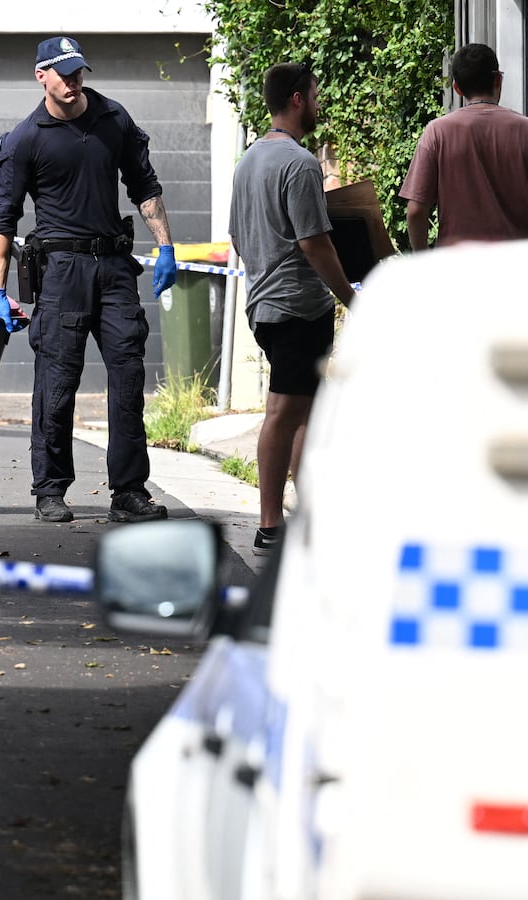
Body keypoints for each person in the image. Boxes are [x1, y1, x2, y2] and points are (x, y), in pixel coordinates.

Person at [0, 35, 177, 525]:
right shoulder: (25, 139)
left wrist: (166, 246)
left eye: (78, 72)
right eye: (63, 72)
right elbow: (3, 221)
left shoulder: (113, 119)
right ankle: (50, 489)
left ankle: (129, 492)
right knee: (57, 381)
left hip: (114, 268)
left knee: (129, 375)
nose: (73, 81)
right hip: (61, 273)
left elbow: (145, 186)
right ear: (41, 76)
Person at [228, 63, 356, 556]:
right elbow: (314, 243)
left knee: (304, 412)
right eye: (316, 93)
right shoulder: (299, 163)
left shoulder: (248, 162)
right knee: (284, 412)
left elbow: (239, 238)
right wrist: (350, 297)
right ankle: (269, 525)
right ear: (299, 99)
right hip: (298, 308)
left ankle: (309, 519)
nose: (320, 101)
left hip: (263, 304)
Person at [399, 42, 528, 250]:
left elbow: (416, 212)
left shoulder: (436, 133)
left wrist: (425, 264)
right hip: (522, 265)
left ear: (456, 88)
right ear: (498, 79)